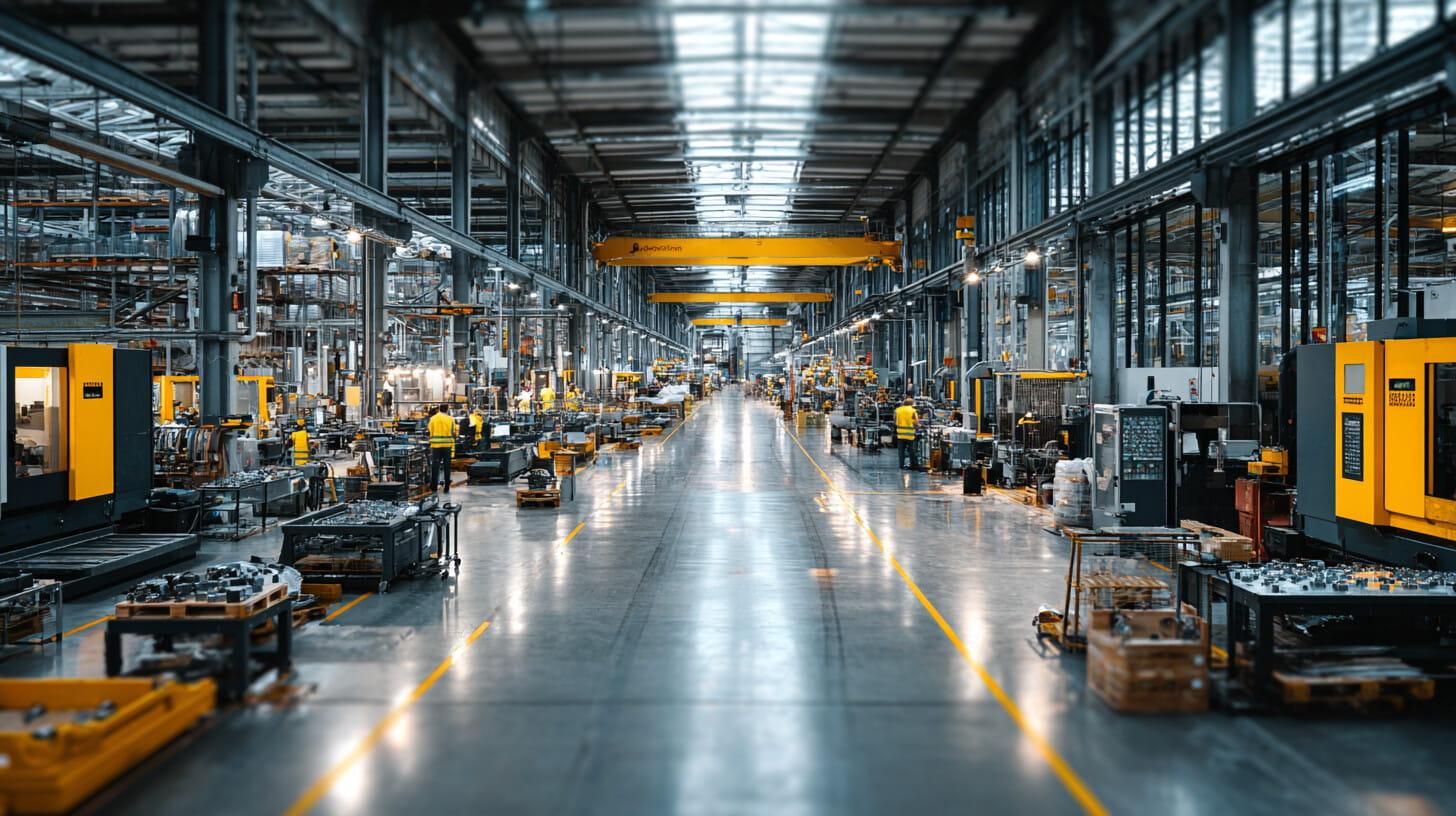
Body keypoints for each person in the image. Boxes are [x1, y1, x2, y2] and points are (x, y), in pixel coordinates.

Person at [427, 404, 457, 494]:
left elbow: (430, 430)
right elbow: (453, 432)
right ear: (447, 410)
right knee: (447, 466)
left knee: (435, 466)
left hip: (436, 446)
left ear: (439, 409)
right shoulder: (451, 419)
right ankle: (447, 486)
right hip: (447, 446)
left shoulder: (433, 419)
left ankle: (433, 487)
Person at [895, 398, 920, 470]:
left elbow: (895, 420)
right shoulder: (912, 410)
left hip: (900, 434)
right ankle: (913, 465)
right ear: (912, 404)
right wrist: (919, 426)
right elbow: (916, 422)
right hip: (910, 435)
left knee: (901, 450)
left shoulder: (898, 410)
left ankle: (901, 465)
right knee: (912, 450)